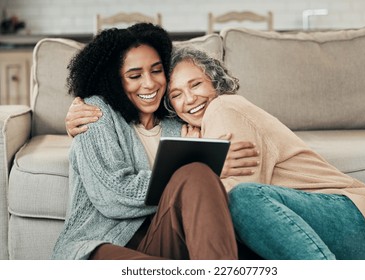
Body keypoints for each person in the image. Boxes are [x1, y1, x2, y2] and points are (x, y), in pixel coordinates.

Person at [67, 46, 365, 260]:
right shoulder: (187, 125)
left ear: (215, 83)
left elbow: (226, 204)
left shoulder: (225, 108)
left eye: (196, 85)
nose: (190, 100)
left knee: (241, 200)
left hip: (355, 219)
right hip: (314, 226)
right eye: (177, 95)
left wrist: (199, 166)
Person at [52, 23, 244, 260]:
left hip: (163, 240)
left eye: (156, 70)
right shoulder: (95, 113)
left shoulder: (178, 116)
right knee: (195, 169)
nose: (150, 83)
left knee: (197, 173)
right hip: (103, 244)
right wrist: (200, 168)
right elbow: (112, 197)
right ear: (113, 80)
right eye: (134, 75)